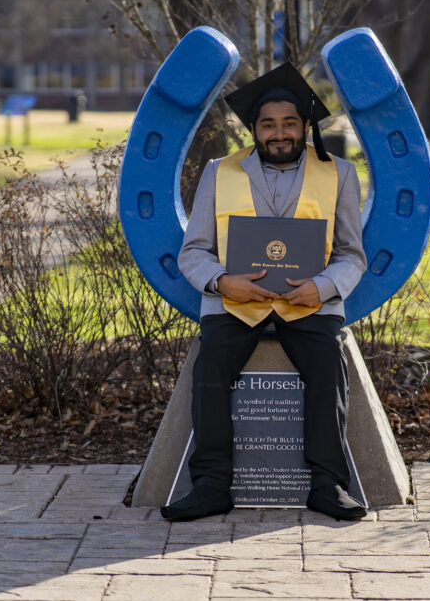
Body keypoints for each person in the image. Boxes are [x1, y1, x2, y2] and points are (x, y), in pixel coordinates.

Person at [162, 62, 367, 522]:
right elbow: (194, 250)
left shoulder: (339, 174)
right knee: (210, 366)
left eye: (290, 123)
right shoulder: (220, 172)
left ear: (305, 126)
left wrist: (324, 287)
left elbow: (353, 253)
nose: (279, 133)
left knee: (329, 365)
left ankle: (327, 484)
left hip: (307, 302)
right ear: (253, 129)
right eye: (268, 124)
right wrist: (220, 282)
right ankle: (212, 484)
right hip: (237, 301)